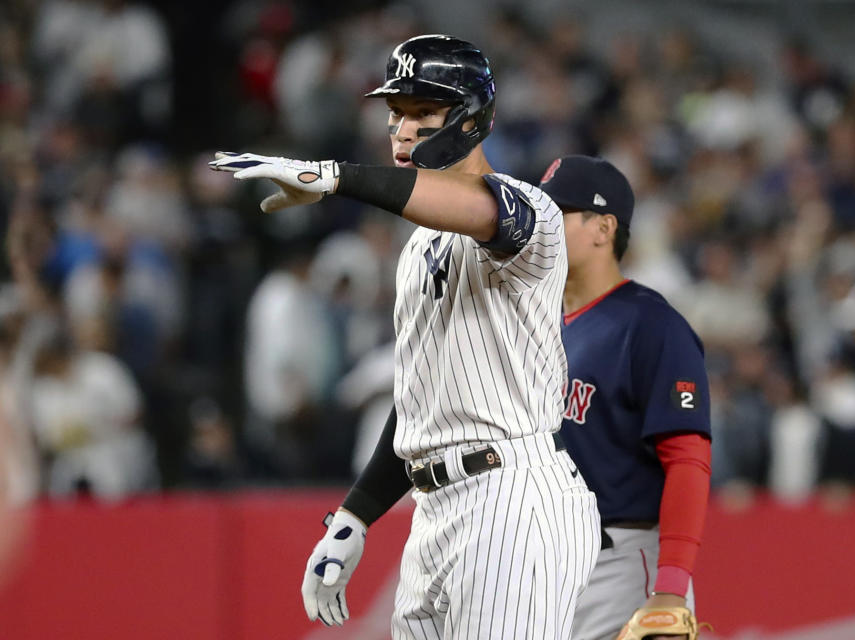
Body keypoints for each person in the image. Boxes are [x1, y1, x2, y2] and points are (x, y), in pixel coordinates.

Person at [210, 35, 600, 639]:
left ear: (472, 118)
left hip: (514, 497)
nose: (402, 128)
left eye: (423, 112)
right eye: (396, 112)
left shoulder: (532, 211)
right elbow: (419, 400)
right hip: (435, 507)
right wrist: (355, 516)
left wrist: (334, 177)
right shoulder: (419, 246)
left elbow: (481, 211)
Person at [538, 155, 712, 640]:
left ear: (603, 228)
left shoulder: (651, 326)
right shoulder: (534, 323)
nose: (541, 229)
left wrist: (671, 588)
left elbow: (688, 460)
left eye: (558, 215)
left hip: (623, 562)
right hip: (543, 568)